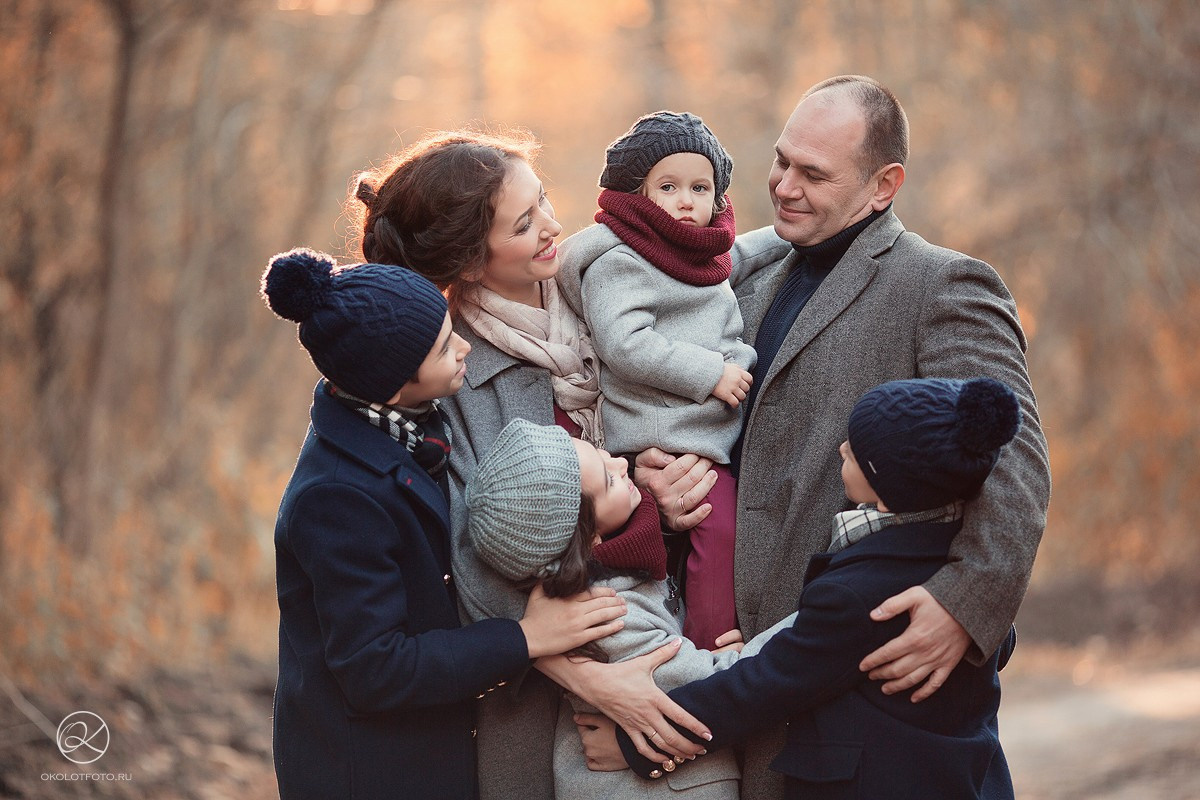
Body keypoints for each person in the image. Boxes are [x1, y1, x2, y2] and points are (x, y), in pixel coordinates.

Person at [604, 75, 1051, 799]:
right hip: (720, 662)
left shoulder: (944, 286)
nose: (782, 185)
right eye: (780, 161)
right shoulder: (735, 276)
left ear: (884, 186)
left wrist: (964, 608)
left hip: (864, 696)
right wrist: (647, 470)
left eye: (812, 174)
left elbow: (1016, 464)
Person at [348, 130, 712, 800]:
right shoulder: (450, 373)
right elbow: (475, 563)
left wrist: (658, 488)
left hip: (686, 637)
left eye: (543, 202)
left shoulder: (605, 281)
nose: (552, 227)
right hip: (552, 698)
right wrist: (594, 681)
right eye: (524, 225)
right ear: (471, 263)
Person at [260, 248, 627, 800]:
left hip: (427, 751)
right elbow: (375, 669)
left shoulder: (406, 428)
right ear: (391, 384)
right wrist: (524, 638)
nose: (463, 348)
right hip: (371, 773)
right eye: (442, 347)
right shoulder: (335, 498)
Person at [616, 376, 1024, 800]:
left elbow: (761, 687)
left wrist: (638, 742)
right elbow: (1002, 639)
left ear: (889, 487)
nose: (842, 449)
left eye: (856, 452)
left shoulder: (860, 595)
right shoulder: (952, 570)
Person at [466, 418, 794, 800]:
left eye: (602, 453)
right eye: (607, 479)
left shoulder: (610, 578)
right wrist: (821, 618)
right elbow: (717, 690)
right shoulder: (606, 611)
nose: (622, 464)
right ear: (588, 537)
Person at [557, 111, 756, 650]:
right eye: (668, 187)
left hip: (698, 431)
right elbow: (626, 344)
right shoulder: (620, 261)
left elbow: (740, 255)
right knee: (717, 528)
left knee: (715, 533)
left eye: (700, 187)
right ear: (639, 195)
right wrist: (709, 373)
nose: (685, 201)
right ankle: (711, 649)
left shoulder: (692, 251)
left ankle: (700, 639)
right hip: (659, 429)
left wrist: (789, 240)